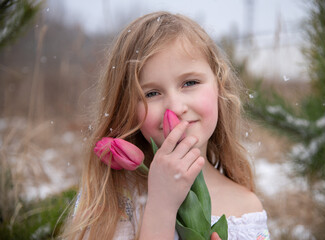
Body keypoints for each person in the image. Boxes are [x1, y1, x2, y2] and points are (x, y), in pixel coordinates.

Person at [62, 11, 270, 240]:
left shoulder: (246, 206)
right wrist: (161, 206)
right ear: (128, 108)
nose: (175, 106)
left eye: (190, 83)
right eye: (151, 93)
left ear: (220, 88)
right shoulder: (114, 202)